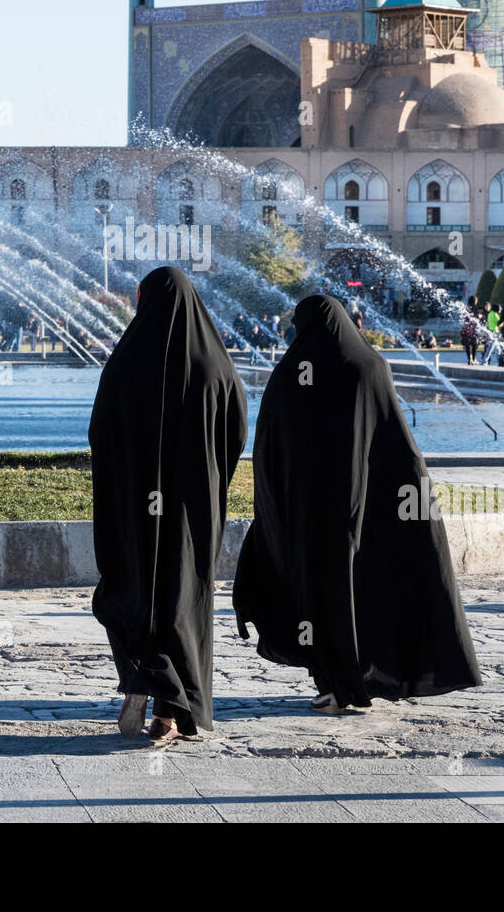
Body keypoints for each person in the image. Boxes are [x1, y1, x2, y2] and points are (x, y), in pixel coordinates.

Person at [233, 295, 481, 714]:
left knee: (322, 596)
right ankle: (358, 676)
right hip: (372, 509)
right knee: (368, 590)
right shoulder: (370, 366)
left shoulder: (293, 371)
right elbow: (397, 443)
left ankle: (336, 682)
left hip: (313, 514)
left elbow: (270, 445)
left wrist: (278, 507)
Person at [91, 266, 248, 744]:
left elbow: (100, 433)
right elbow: (237, 432)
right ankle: (171, 712)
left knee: (133, 591)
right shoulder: (215, 366)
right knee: (184, 599)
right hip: (191, 513)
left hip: (136, 508)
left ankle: (145, 675)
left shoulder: (127, 360)